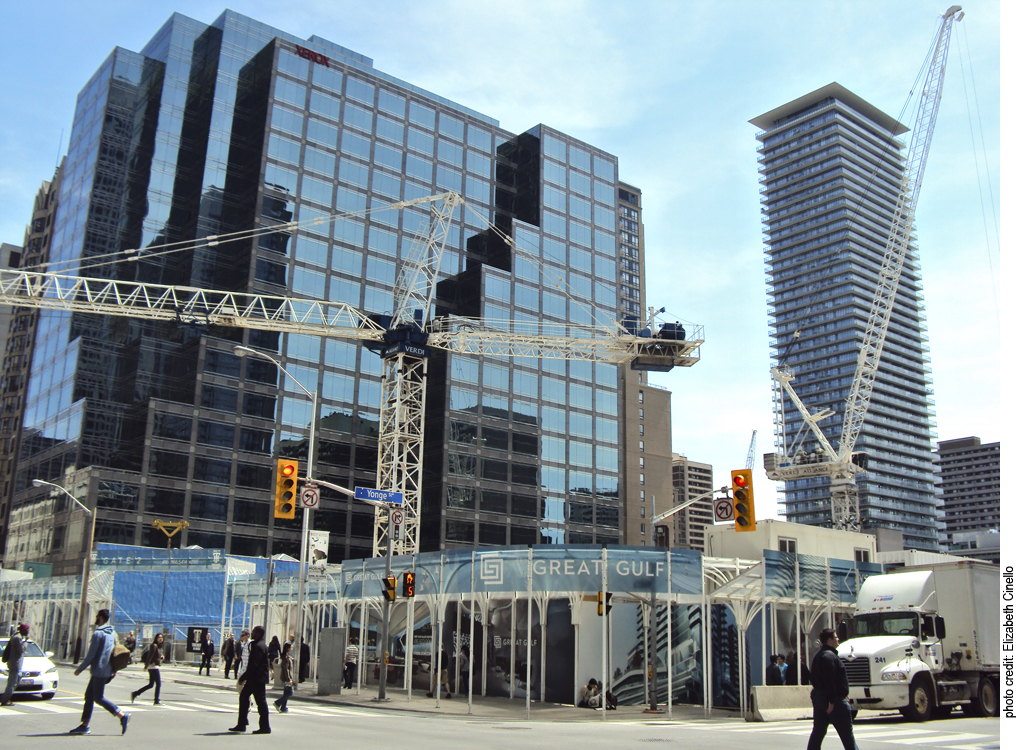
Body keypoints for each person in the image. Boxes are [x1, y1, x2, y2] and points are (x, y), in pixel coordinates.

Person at [69, 609, 130, 736]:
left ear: (101, 618)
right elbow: (115, 652)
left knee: (98, 698)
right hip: (107, 669)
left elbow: (91, 655)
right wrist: (114, 670)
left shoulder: (98, 634)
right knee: (89, 697)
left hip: (99, 670)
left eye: (97, 617)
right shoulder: (112, 633)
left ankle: (121, 715)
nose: (96, 618)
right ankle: (85, 725)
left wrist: (79, 669)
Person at [806, 628, 859, 750]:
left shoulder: (819, 656)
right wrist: (832, 701)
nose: (838, 639)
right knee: (847, 734)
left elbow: (815, 678)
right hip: (833, 701)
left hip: (820, 697)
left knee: (818, 731)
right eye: (836, 637)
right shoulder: (829, 657)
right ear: (829, 640)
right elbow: (829, 680)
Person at [230, 625, 271, 734]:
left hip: (257, 678)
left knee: (260, 702)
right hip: (256, 678)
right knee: (245, 697)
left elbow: (254, 665)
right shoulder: (259, 645)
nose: (251, 634)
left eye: (253, 632)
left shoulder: (258, 646)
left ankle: (264, 727)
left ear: (258, 633)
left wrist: (244, 677)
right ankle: (242, 724)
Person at [131, 633, 164, 705]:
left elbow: (155, 656)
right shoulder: (154, 646)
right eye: (159, 637)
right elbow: (150, 656)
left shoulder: (157, 646)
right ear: (156, 638)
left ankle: (135, 693)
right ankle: (156, 701)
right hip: (153, 667)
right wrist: (146, 666)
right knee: (158, 684)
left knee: (151, 684)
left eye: (161, 637)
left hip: (152, 666)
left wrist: (160, 657)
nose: (160, 639)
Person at [1, 623, 29, 706]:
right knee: (12, 682)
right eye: (27, 630)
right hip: (15, 664)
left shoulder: (17, 636)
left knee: (17, 679)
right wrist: (26, 641)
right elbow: (21, 650)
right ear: (23, 630)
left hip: (15, 663)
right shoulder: (17, 638)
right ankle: (5, 700)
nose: (28, 632)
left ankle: (6, 696)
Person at [273, 642, 294, 713]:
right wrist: (288, 679)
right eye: (291, 647)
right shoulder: (285, 657)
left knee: (286, 693)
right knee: (290, 692)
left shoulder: (287, 656)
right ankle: (278, 703)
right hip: (286, 678)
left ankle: (283, 707)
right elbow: (286, 669)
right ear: (288, 648)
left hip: (286, 678)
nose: (292, 649)